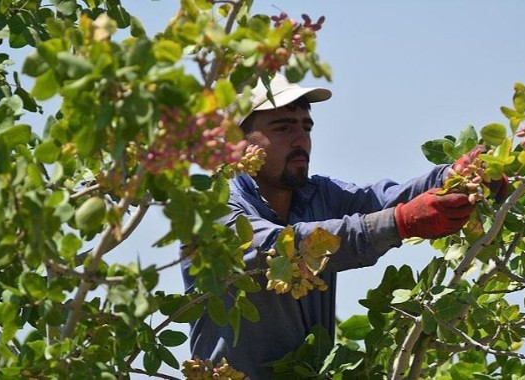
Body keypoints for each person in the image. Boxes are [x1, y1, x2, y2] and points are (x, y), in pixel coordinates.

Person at [181, 74, 505, 379]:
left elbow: (384, 199)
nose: (300, 140)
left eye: (306, 127)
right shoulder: (211, 207)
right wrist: (401, 222)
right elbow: (279, 249)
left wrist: (455, 177)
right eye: (282, 128)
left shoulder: (318, 195)